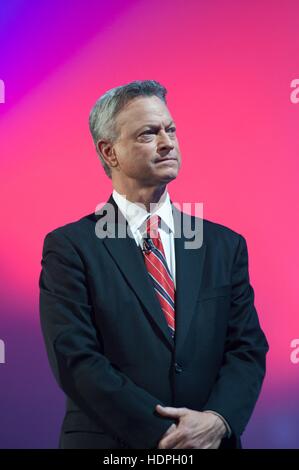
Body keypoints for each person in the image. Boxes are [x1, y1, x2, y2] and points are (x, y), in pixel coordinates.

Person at [39, 80, 269, 449]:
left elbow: (247, 349)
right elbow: (75, 358)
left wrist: (216, 421)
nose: (168, 143)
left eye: (171, 130)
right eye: (149, 133)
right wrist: (169, 433)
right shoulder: (70, 247)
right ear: (109, 152)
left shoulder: (224, 245)